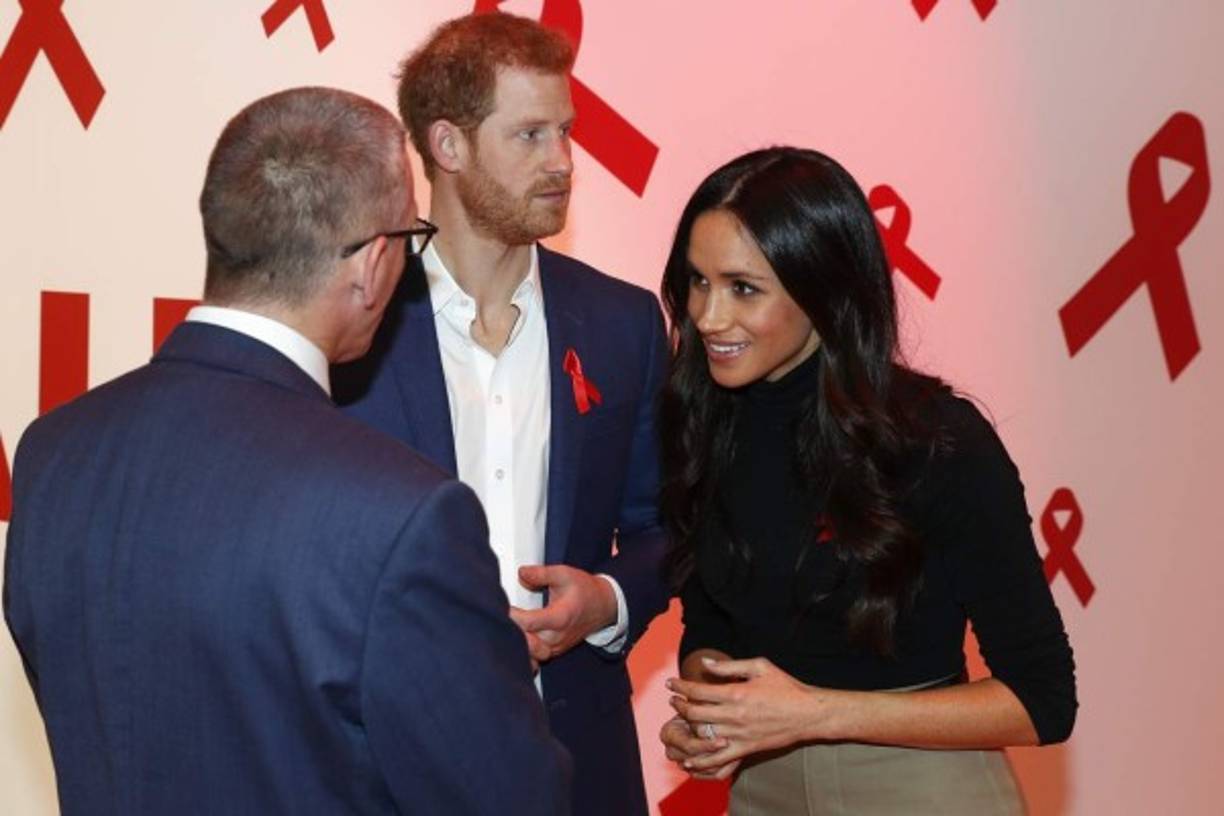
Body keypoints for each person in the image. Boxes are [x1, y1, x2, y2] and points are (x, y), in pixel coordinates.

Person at [4, 86, 570, 815]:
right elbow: (513, 798)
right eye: (409, 242)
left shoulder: (54, 453)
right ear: (370, 266)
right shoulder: (403, 516)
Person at [656, 147, 1077, 815]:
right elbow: (710, 623)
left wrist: (815, 714)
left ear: (824, 293)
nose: (707, 316)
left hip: (921, 789)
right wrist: (715, 709)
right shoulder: (699, 423)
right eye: (697, 282)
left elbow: (1042, 701)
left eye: (743, 288)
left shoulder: (937, 442)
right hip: (760, 790)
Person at [333, 13, 669, 815]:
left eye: (566, 131)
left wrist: (607, 600)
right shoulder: (352, 322)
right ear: (447, 146)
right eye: (529, 136)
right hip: (385, 765)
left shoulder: (622, 322)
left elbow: (668, 524)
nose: (563, 163)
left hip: (580, 762)